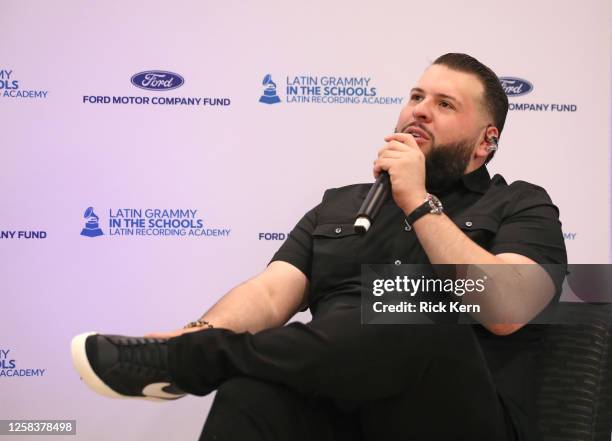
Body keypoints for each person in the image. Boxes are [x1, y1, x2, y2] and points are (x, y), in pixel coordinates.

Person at [71, 53, 567, 441]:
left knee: (408, 304)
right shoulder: (342, 206)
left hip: (457, 419)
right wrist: (192, 331)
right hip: (344, 414)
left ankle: (200, 359)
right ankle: (192, 353)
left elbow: (508, 307)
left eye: (444, 104)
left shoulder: (521, 204)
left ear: (485, 142)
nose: (419, 110)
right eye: (416, 96)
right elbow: (269, 295)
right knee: (252, 393)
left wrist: (417, 200)